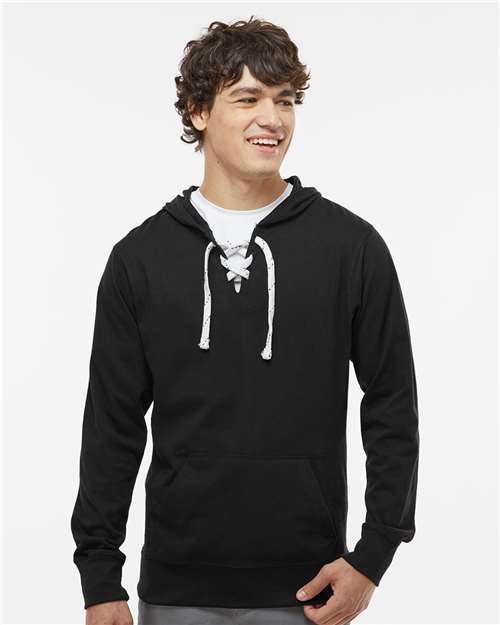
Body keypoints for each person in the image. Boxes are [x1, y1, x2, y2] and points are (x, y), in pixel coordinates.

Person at [70, 16, 420, 625]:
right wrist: (100, 581)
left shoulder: (351, 247)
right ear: (199, 111)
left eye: (285, 100)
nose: (273, 119)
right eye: (248, 98)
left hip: (309, 588)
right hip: (176, 586)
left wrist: (373, 556)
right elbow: (111, 427)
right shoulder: (140, 259)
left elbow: (392, 404)